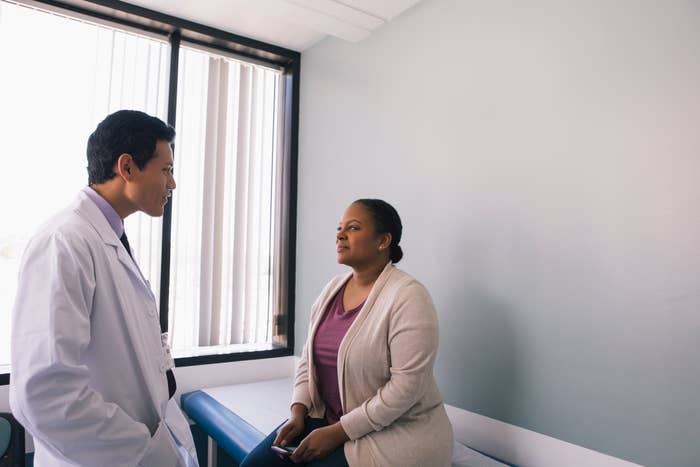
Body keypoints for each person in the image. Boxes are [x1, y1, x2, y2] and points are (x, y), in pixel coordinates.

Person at [9, 110, 199, 466]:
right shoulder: (64, 241)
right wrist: (143, 449)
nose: (172, 184)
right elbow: (43, 395)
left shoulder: (109, 238)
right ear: (127, 167)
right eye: (167, 170)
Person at [241, 199, 453, 467]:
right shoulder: (332, 290)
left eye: (353, 228)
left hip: (396, 432)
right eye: (340, 228)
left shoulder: (409, 296)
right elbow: (308, 362)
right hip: (329, 422)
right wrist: (298, 412)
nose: (340, 234)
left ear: (383, 241)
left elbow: (405, 389)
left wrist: (337, 433)